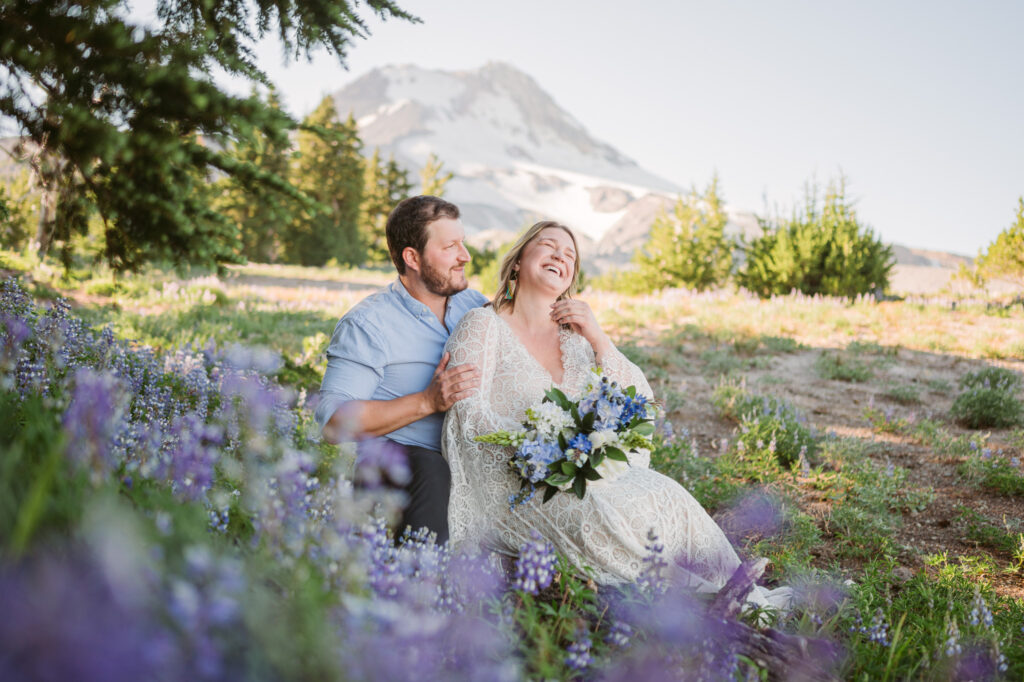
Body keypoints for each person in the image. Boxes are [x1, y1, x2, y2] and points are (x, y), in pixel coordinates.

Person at [441, 220, 790, 609]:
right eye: (548, 246)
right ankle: (702, 599)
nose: (561, 255)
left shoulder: (575, 339)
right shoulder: (483, 326)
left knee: (665, 493)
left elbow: (636, 399)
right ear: (519, 260)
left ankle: (737, 588)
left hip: (579, 474)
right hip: (515, 484)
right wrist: (540, 451)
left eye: (570, 254)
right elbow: (467, 418)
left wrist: (597, 335)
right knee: (598, 511)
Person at [315, 195, 488, 544]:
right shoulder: (368, 324)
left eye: (463, 243)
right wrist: (426, 401)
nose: (465, 256)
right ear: (412, 257)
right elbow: (333, 422)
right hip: (402, 468)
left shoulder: (476, 306)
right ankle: (417, 588)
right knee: (431, 468)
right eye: (450, 246)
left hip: (471, 458)